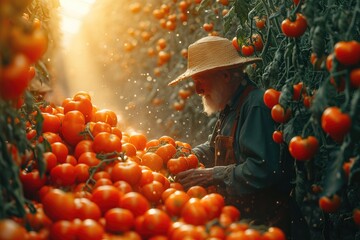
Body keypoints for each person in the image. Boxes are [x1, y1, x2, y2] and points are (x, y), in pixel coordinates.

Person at [168, 36, 309, 239]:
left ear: (225, 75)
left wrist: (214, 174)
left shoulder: (256, 106)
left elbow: (264, 168)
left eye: (201, 81)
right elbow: (213, 147)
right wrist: (180, 155)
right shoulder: (231, 106)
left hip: (272, 226)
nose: (197, 91)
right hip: (247, 223)